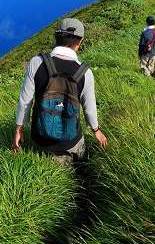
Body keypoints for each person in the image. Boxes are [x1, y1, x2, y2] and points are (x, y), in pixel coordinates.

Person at [12, 18, 107, 165]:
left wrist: (19, 128)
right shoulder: (85, 73)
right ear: (80, 41)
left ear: (57, 37)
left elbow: (25, 101)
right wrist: (97, 130)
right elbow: (89, 110)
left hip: (41, 140)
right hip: (70, 142)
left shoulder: (37, 62)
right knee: (79, 165)